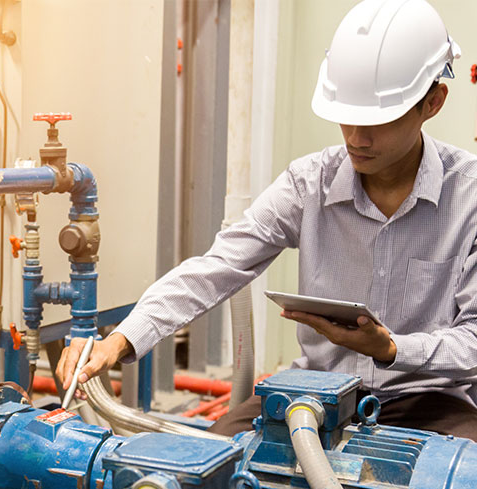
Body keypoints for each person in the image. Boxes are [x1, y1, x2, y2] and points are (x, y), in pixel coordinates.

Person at [56, 0, 477, 440]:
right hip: (315, 393)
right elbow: (216, 268)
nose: (356, 137)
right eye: (345, 116)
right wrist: (119, 340)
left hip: (428, 399)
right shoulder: (309, 183)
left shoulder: (468, 197)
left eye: (378, 120)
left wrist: (393, 349)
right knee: (202, 473)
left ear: (433, 102)